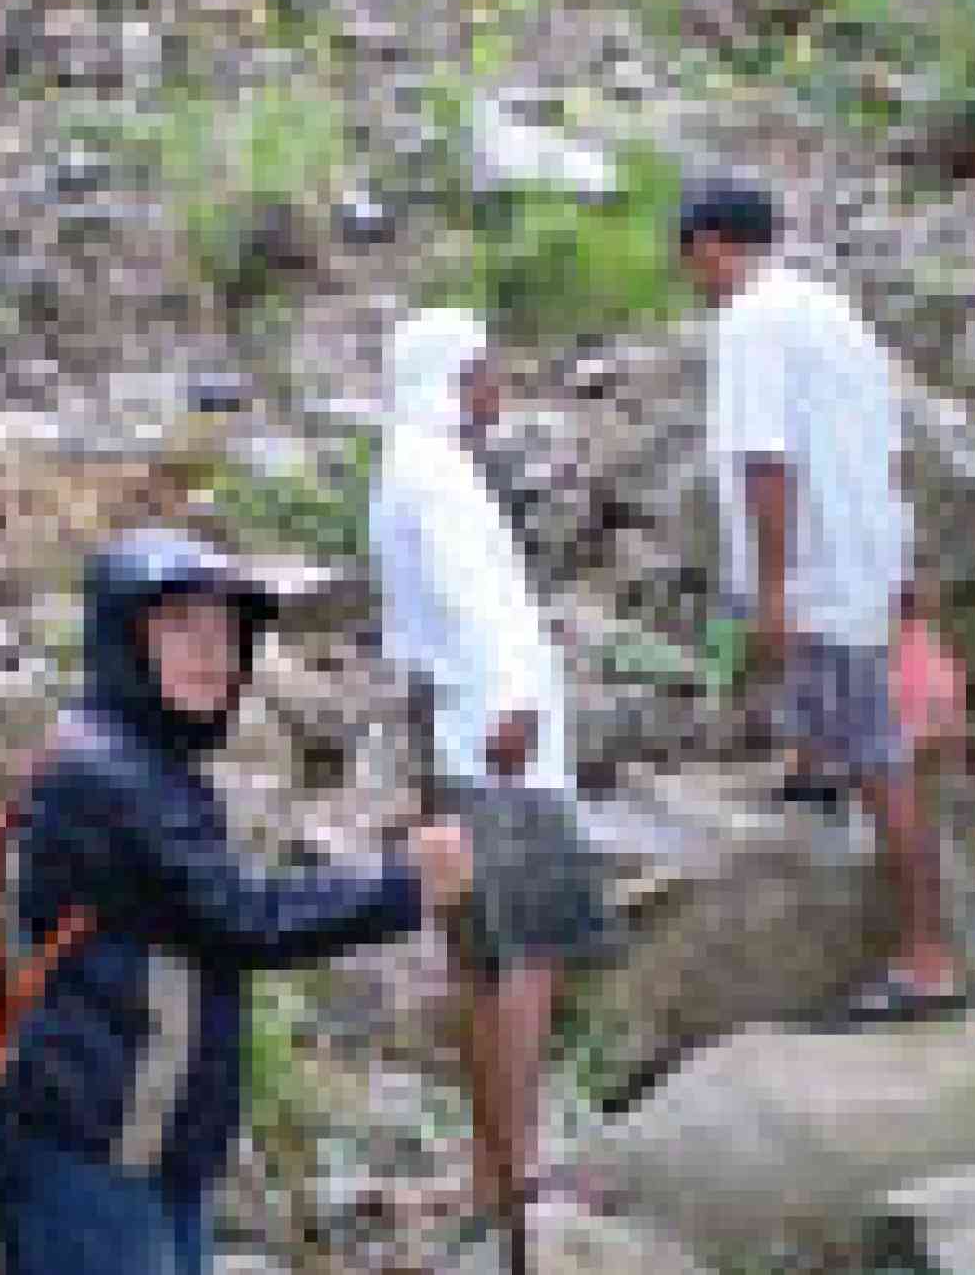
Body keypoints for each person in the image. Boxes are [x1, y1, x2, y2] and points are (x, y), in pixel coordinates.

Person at [0, 529, 474, 1275]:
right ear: (120, 638)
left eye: (225, 631)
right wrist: (404, 885)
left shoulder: (145, 760)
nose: (211, 653)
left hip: (138, 1143)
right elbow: (238, 917)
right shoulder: (108, 774)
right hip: (89, 1147)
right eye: (178, 626)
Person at [680, 179, 964, 1019]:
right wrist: (903, 569)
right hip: (864, 557)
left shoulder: (750, 322)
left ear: (706, 245)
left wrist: (774, 588)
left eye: (689, 261)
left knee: (881, 758)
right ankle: (813, 769)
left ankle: (925, 958)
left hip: (822, 571)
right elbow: (884, 445)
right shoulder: (833, 315)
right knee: (845, 721)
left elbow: (766, 459)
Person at [369, 308, 577, 1272]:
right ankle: (511, 1166)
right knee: (520, 957)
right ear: (448, 379)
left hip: (475, 731)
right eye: (483, 373)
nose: (497, 390)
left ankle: (502, 1160)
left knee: (490, 960)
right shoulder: (434, 475)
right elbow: (470, 606)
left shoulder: (416, 466)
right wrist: (516, 707)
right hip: (501, 739)